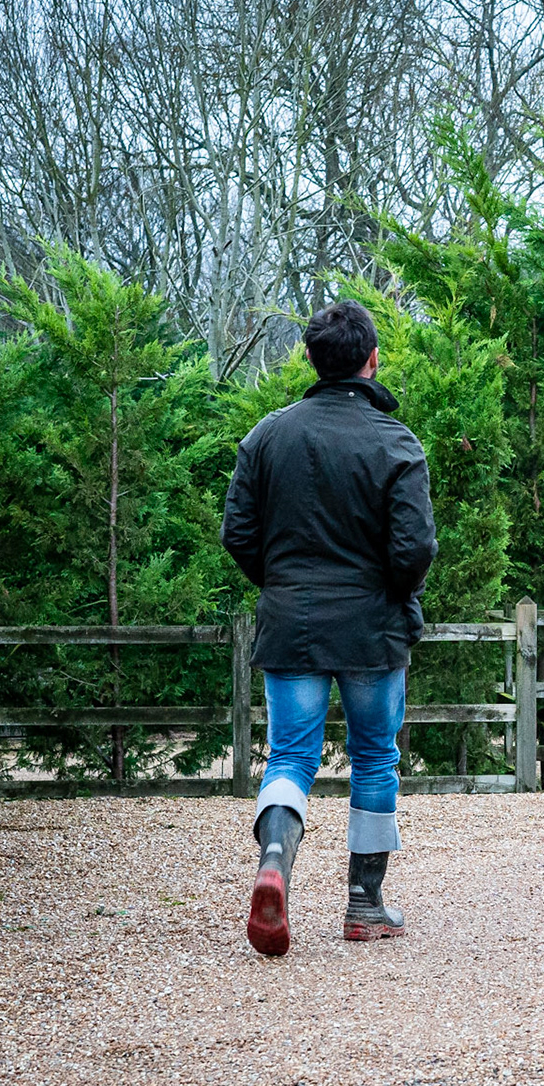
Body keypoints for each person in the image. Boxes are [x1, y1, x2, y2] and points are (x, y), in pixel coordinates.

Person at [221, 300, 438, 957]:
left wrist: (283, 584)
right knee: (375, 756)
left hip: (291, 623)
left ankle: (274, 864)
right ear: (373, 359)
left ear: (312, 360)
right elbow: (414, 548)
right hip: (373, 628)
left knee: (290, 756)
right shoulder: (395, 442)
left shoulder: (266, 437)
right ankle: (364, 904)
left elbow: (238, 533)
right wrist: (391, 594)